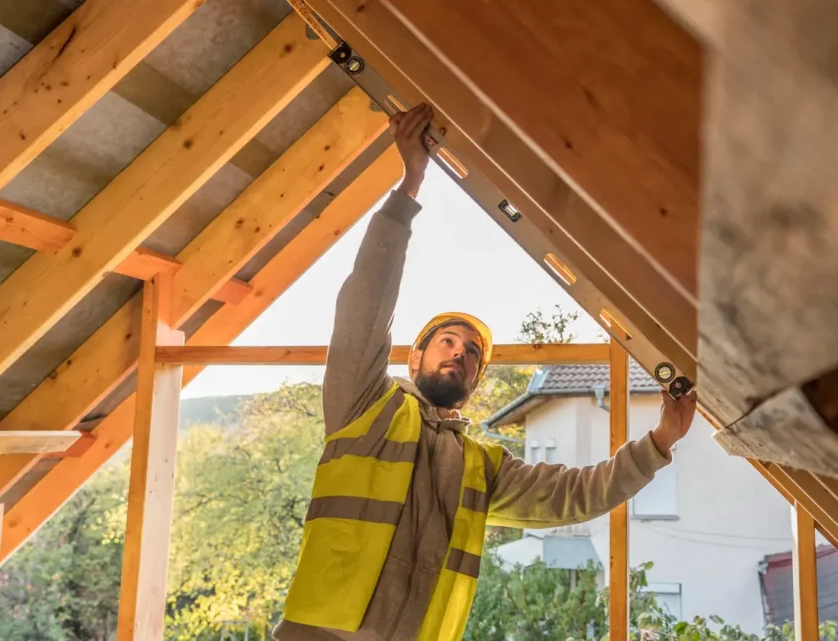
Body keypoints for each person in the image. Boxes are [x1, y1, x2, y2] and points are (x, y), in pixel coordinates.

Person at [273, 104, 698, 641]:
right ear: (414, 359)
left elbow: (578, 494)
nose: (459, 354)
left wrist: (661, 440)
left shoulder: (481, 467)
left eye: (472, 352)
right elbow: (363, 309)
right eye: (446, 343)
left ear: (475, 383)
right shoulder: (364, 408)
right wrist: (409, 189)